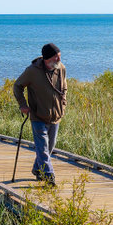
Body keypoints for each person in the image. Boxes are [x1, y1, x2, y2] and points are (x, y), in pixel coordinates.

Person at [13, 43, 67, 186]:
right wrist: (23, 105)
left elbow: (64, 87)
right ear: (48, 58)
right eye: (57, 57)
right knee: (42, 148)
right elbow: (17, 86)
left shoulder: (61, 68)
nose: (59, 59)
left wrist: (63, 103)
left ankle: (37, 169)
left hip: (56, 116)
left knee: (49, 147)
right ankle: (49, 176)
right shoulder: (32, 71)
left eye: (59, 56)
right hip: (38, 116)